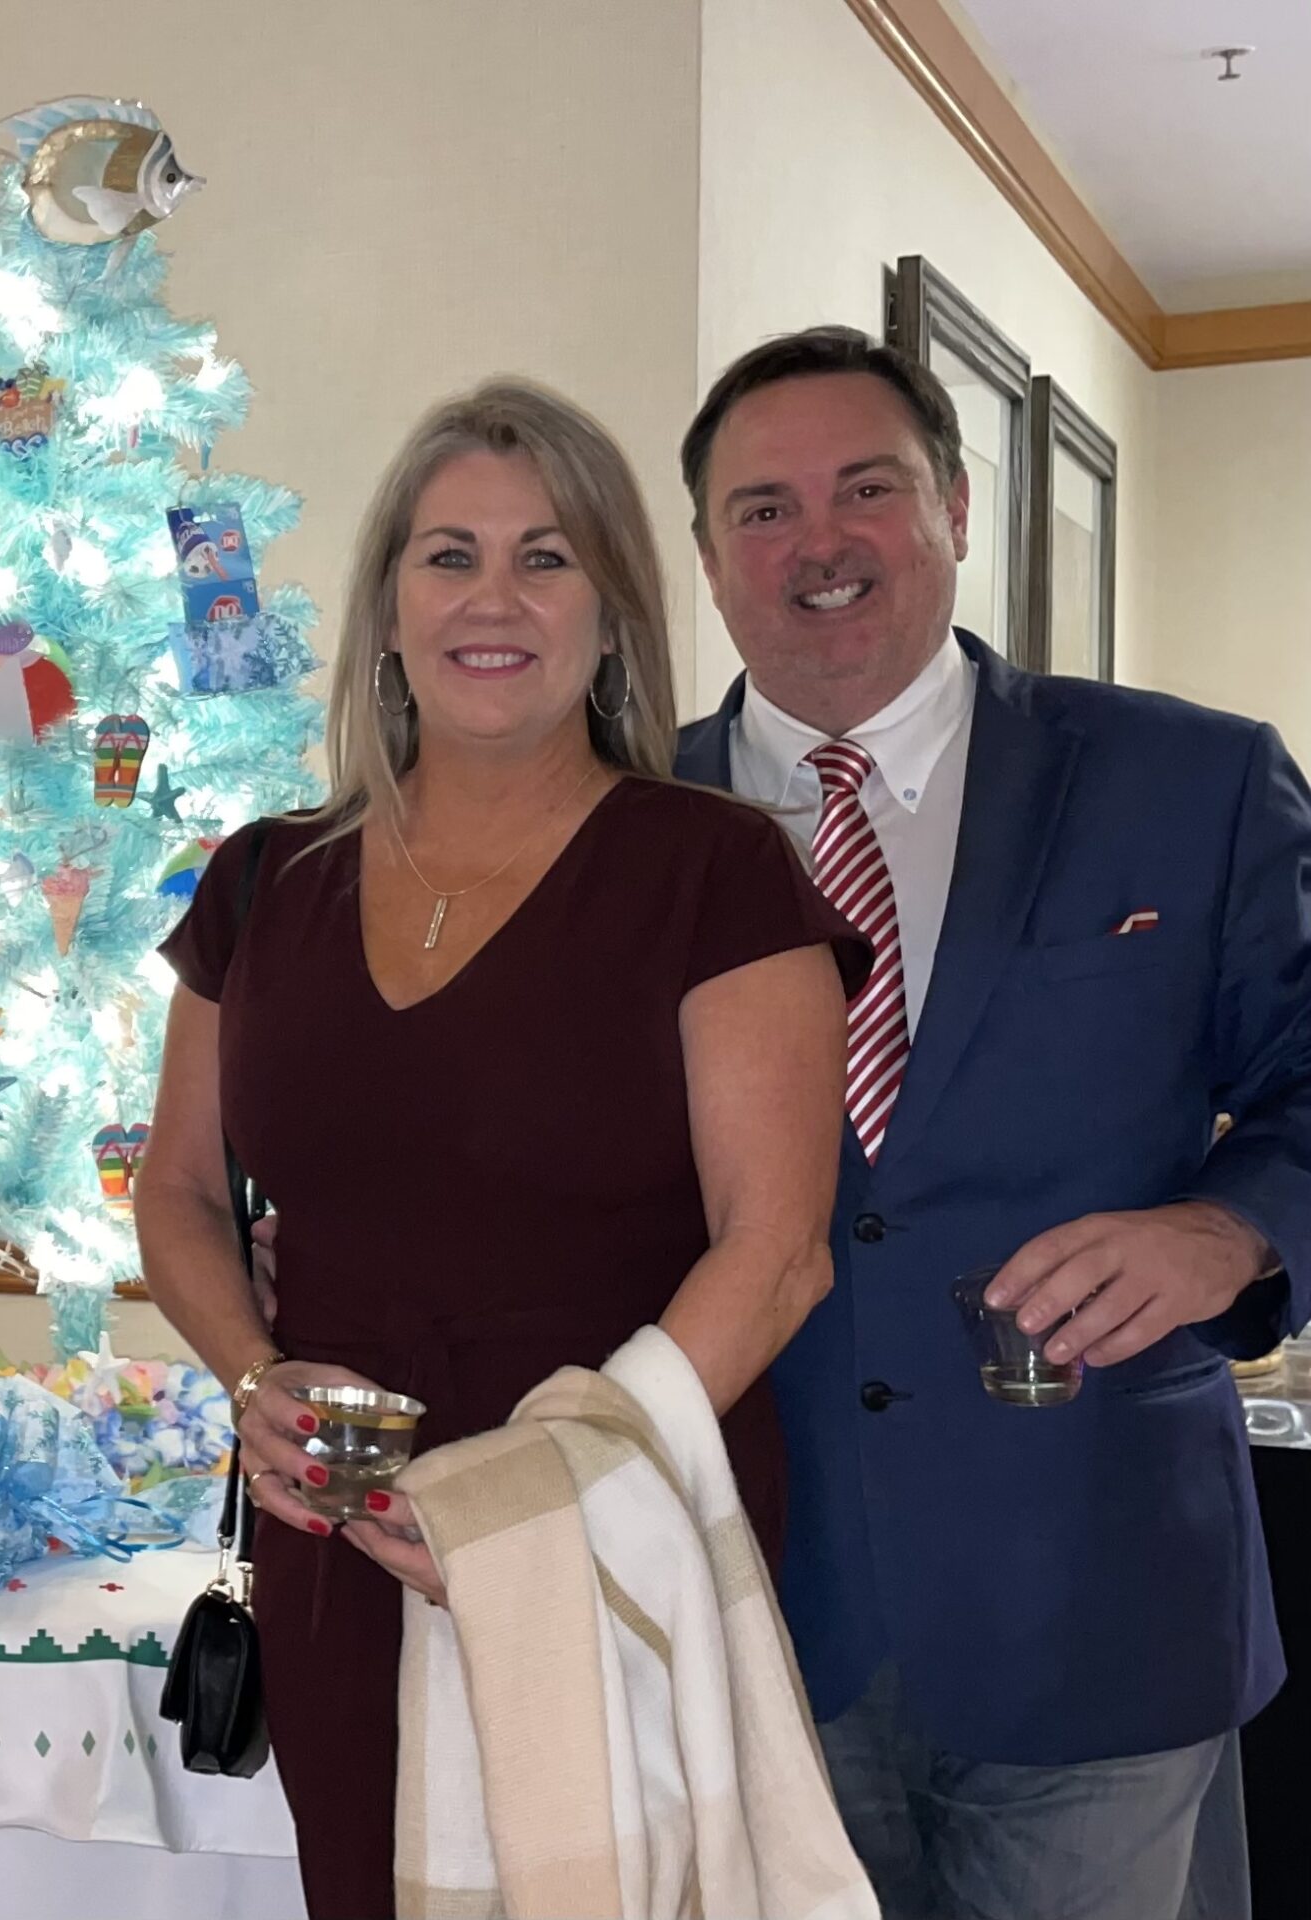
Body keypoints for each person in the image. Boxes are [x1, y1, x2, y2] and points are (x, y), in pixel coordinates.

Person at [136, 381, 866, 1919]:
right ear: (386, 609)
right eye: (447, 555)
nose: (493, 600)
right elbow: (184, 1194)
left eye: (547, 558)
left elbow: (779, 1248)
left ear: (610, 614)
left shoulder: (716, 870)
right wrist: (252, 1376)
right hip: (347, 1522)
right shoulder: (264, 881)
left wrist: (546, 1481)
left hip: (614, 1513)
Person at [676, 324, 1311, 1920]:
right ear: (703, 553)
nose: (817, 542)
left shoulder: (1196, 779)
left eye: (866, 488)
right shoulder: (627, 823)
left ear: (955, 505)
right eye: (762, 508)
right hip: (740, 1603)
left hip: (1099, 1597)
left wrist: (1232, 1226)